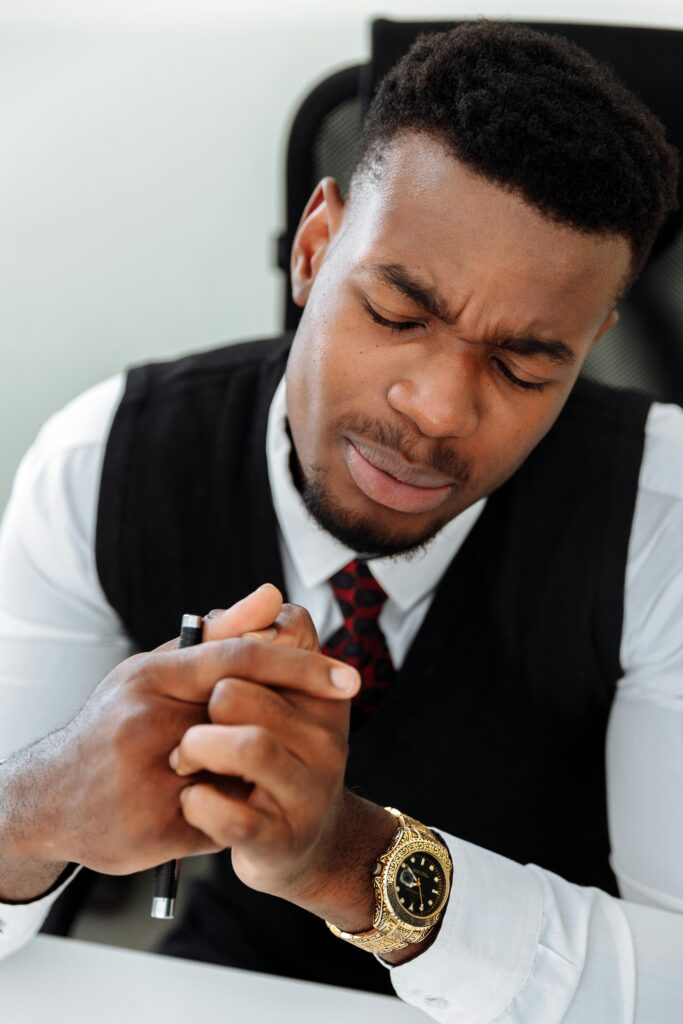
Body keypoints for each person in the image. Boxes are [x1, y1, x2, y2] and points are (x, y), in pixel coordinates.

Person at [0, 19, 682, 1022]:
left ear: (587, 348)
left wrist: (349, 862)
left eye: (523, 365)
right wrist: (36, 810)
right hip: (232, 981)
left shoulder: (658, 514)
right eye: (398, 315)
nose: (438, 410)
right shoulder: (101, 463)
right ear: (315, 248)